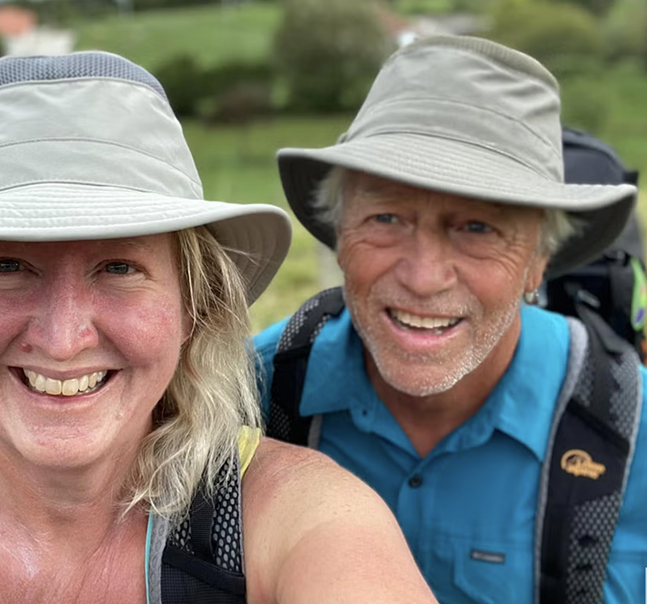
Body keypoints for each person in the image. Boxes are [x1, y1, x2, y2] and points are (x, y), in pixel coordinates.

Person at [0, 52, 437, 604]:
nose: (63, 338)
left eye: (119, 267)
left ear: (194, 308)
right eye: (7, 265)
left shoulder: (303, 523)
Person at [254, 36, 647, 604]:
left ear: (539, 261)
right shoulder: (246, 394)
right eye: (386, 217)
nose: (423, 277)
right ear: (340, 236)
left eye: (478, 228)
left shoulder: (627, 435)